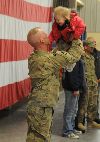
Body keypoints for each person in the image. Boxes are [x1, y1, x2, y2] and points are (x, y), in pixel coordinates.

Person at [26, 27, 84, 142]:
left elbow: (57, 53)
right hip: (41, 107)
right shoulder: (48, 59)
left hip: (40, 106)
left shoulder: (37, 57)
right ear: (42, 40)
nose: (48, 36)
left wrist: (64, 38)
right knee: (39, 139)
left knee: (38, 137)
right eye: (45, 35)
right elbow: (73, 56)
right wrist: (76, 38)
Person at [77, 37, 100, 129]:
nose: (92, 48)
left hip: (93, 83)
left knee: (92, 104)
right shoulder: (81, 56)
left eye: (93, 47)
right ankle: (80, 122)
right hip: (86, 85)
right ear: (85, 47)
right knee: (83, 104)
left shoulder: (91, 57)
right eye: (90, 47)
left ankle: (91, 122)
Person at [62, 59, 84, 139]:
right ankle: (67, 131)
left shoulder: (76, 59)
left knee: (74, 110)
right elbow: (72, 75)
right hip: (72, 88)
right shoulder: (72, 59)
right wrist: (75, 88)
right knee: (69, 110)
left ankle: (71, 128)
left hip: (75, 87)